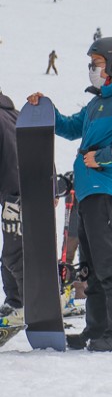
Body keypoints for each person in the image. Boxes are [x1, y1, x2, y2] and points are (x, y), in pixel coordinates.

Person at [28, 36, 112, 352]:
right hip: (89, 194)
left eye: (96, 63)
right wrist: (45, 109)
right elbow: (71, 127)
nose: (91, 69)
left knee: (110, 263)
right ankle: (97, 329)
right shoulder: (99, 102)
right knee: (92, 267)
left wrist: (103, 157)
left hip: (109, 193)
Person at [0, 90, 23, 328]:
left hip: (13, 195)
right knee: (15, 249)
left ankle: (23, 303)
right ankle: (17, 301)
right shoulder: (16, 114)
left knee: (14, 253)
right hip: (29, 192)